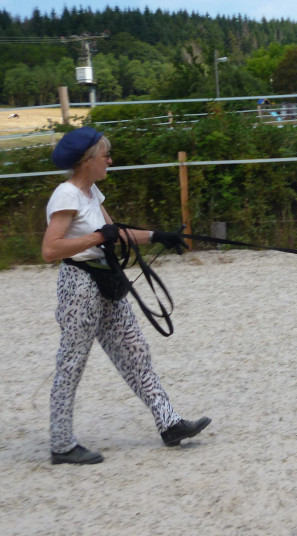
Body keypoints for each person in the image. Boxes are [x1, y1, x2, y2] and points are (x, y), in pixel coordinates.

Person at [42, 126, 211, 465]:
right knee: (71, 363)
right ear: (87, 160)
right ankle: (61, 444)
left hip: (107, 282)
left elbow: (114, 233)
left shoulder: (92, 194)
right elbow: (50, 249)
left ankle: (170, 423)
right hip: (79, 286)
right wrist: (94, 239)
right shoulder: (66, 194)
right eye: (105, 154)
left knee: (135, 351)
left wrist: (158, 235)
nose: (110, 159)